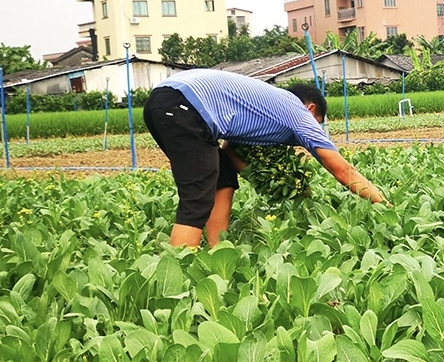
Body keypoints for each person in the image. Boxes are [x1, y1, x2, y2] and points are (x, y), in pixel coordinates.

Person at [143, 69, 387, 247]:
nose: (316, 129)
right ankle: (181, 269)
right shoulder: (297, 110)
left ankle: (217, 249)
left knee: (223, 176)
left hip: (165, 101)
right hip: (183, 105)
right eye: (318, 123)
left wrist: (271, 182)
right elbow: (342, 170)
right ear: (311, 108)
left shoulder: (266, 106)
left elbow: (230, 152)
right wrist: (383, 205)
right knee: (196, 197)